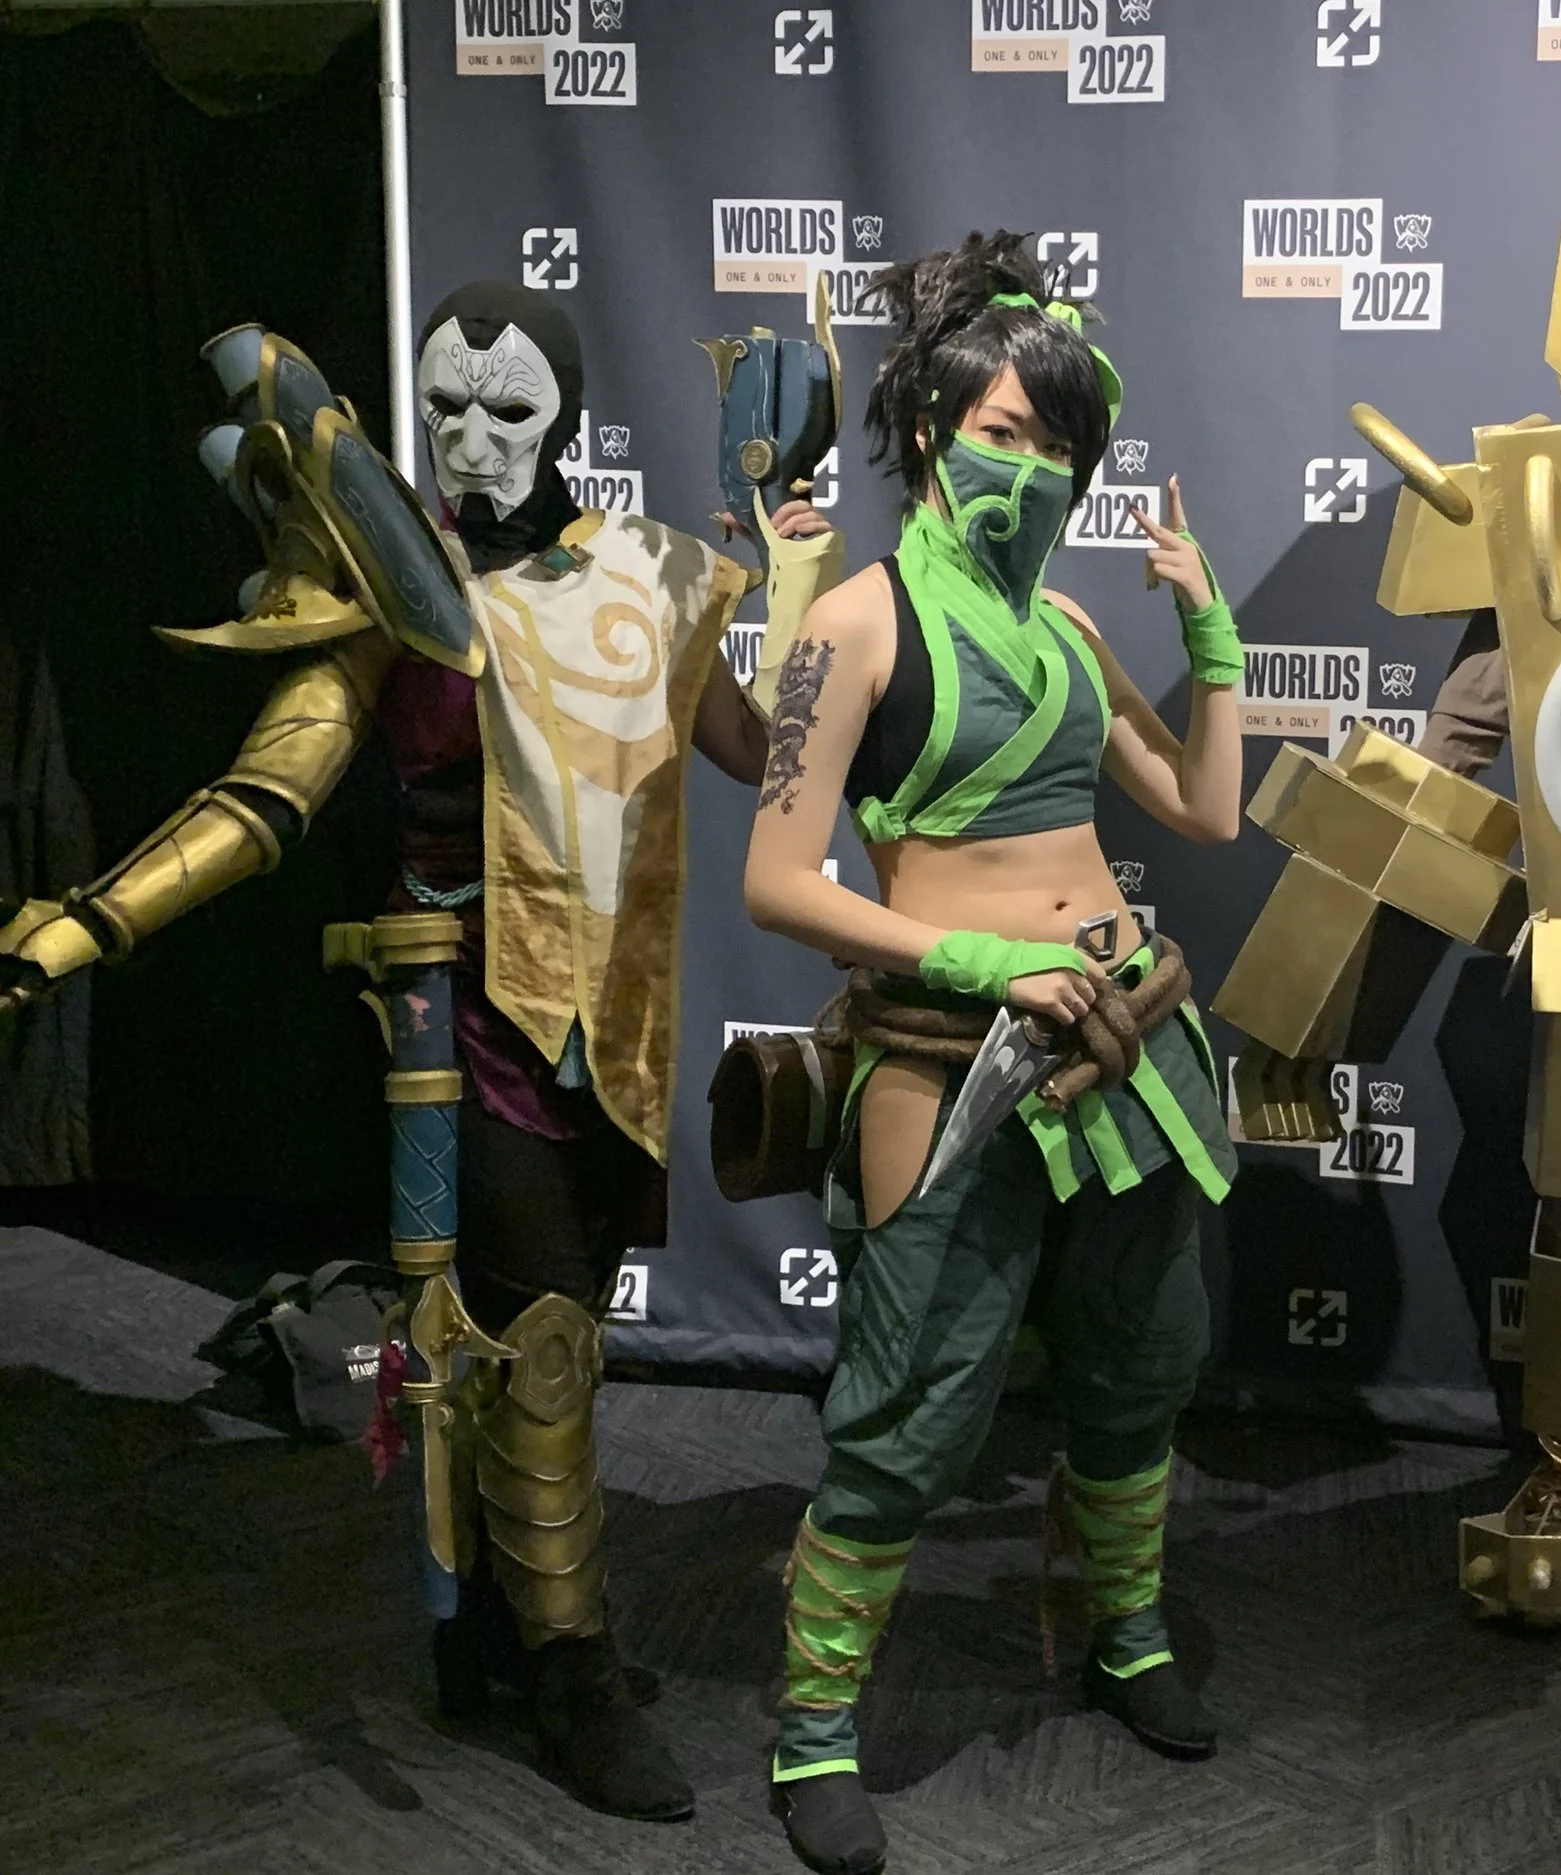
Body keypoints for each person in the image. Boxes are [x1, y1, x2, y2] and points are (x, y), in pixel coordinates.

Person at [0, 282, 830, 1823]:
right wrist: (87, 924)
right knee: (543, 1343)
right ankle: (576, 1668)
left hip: (624, 1018)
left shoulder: (657, 567)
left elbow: (755, 746)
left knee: (552, 1318)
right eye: (443, 407)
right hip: (465, 1019)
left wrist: (811, 602)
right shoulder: (394, 584)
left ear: (568, 415)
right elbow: (272, 786)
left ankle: (502, 1635)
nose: (469, 439)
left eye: (509, 408)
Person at [740, 232, 1244, 1875]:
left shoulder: (1081, 634)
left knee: (1141, 1360)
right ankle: (815, 1724)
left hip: (1134, 1051)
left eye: (1063, 446)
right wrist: (972, 955)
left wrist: (1216, 645)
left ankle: (1130, 1630)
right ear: (933, 426)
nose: (1032, 469)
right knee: (910, 1406)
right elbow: (775, 876)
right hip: (952, 1066)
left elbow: (1211, 811)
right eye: (1006, 433)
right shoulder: (858, 629)